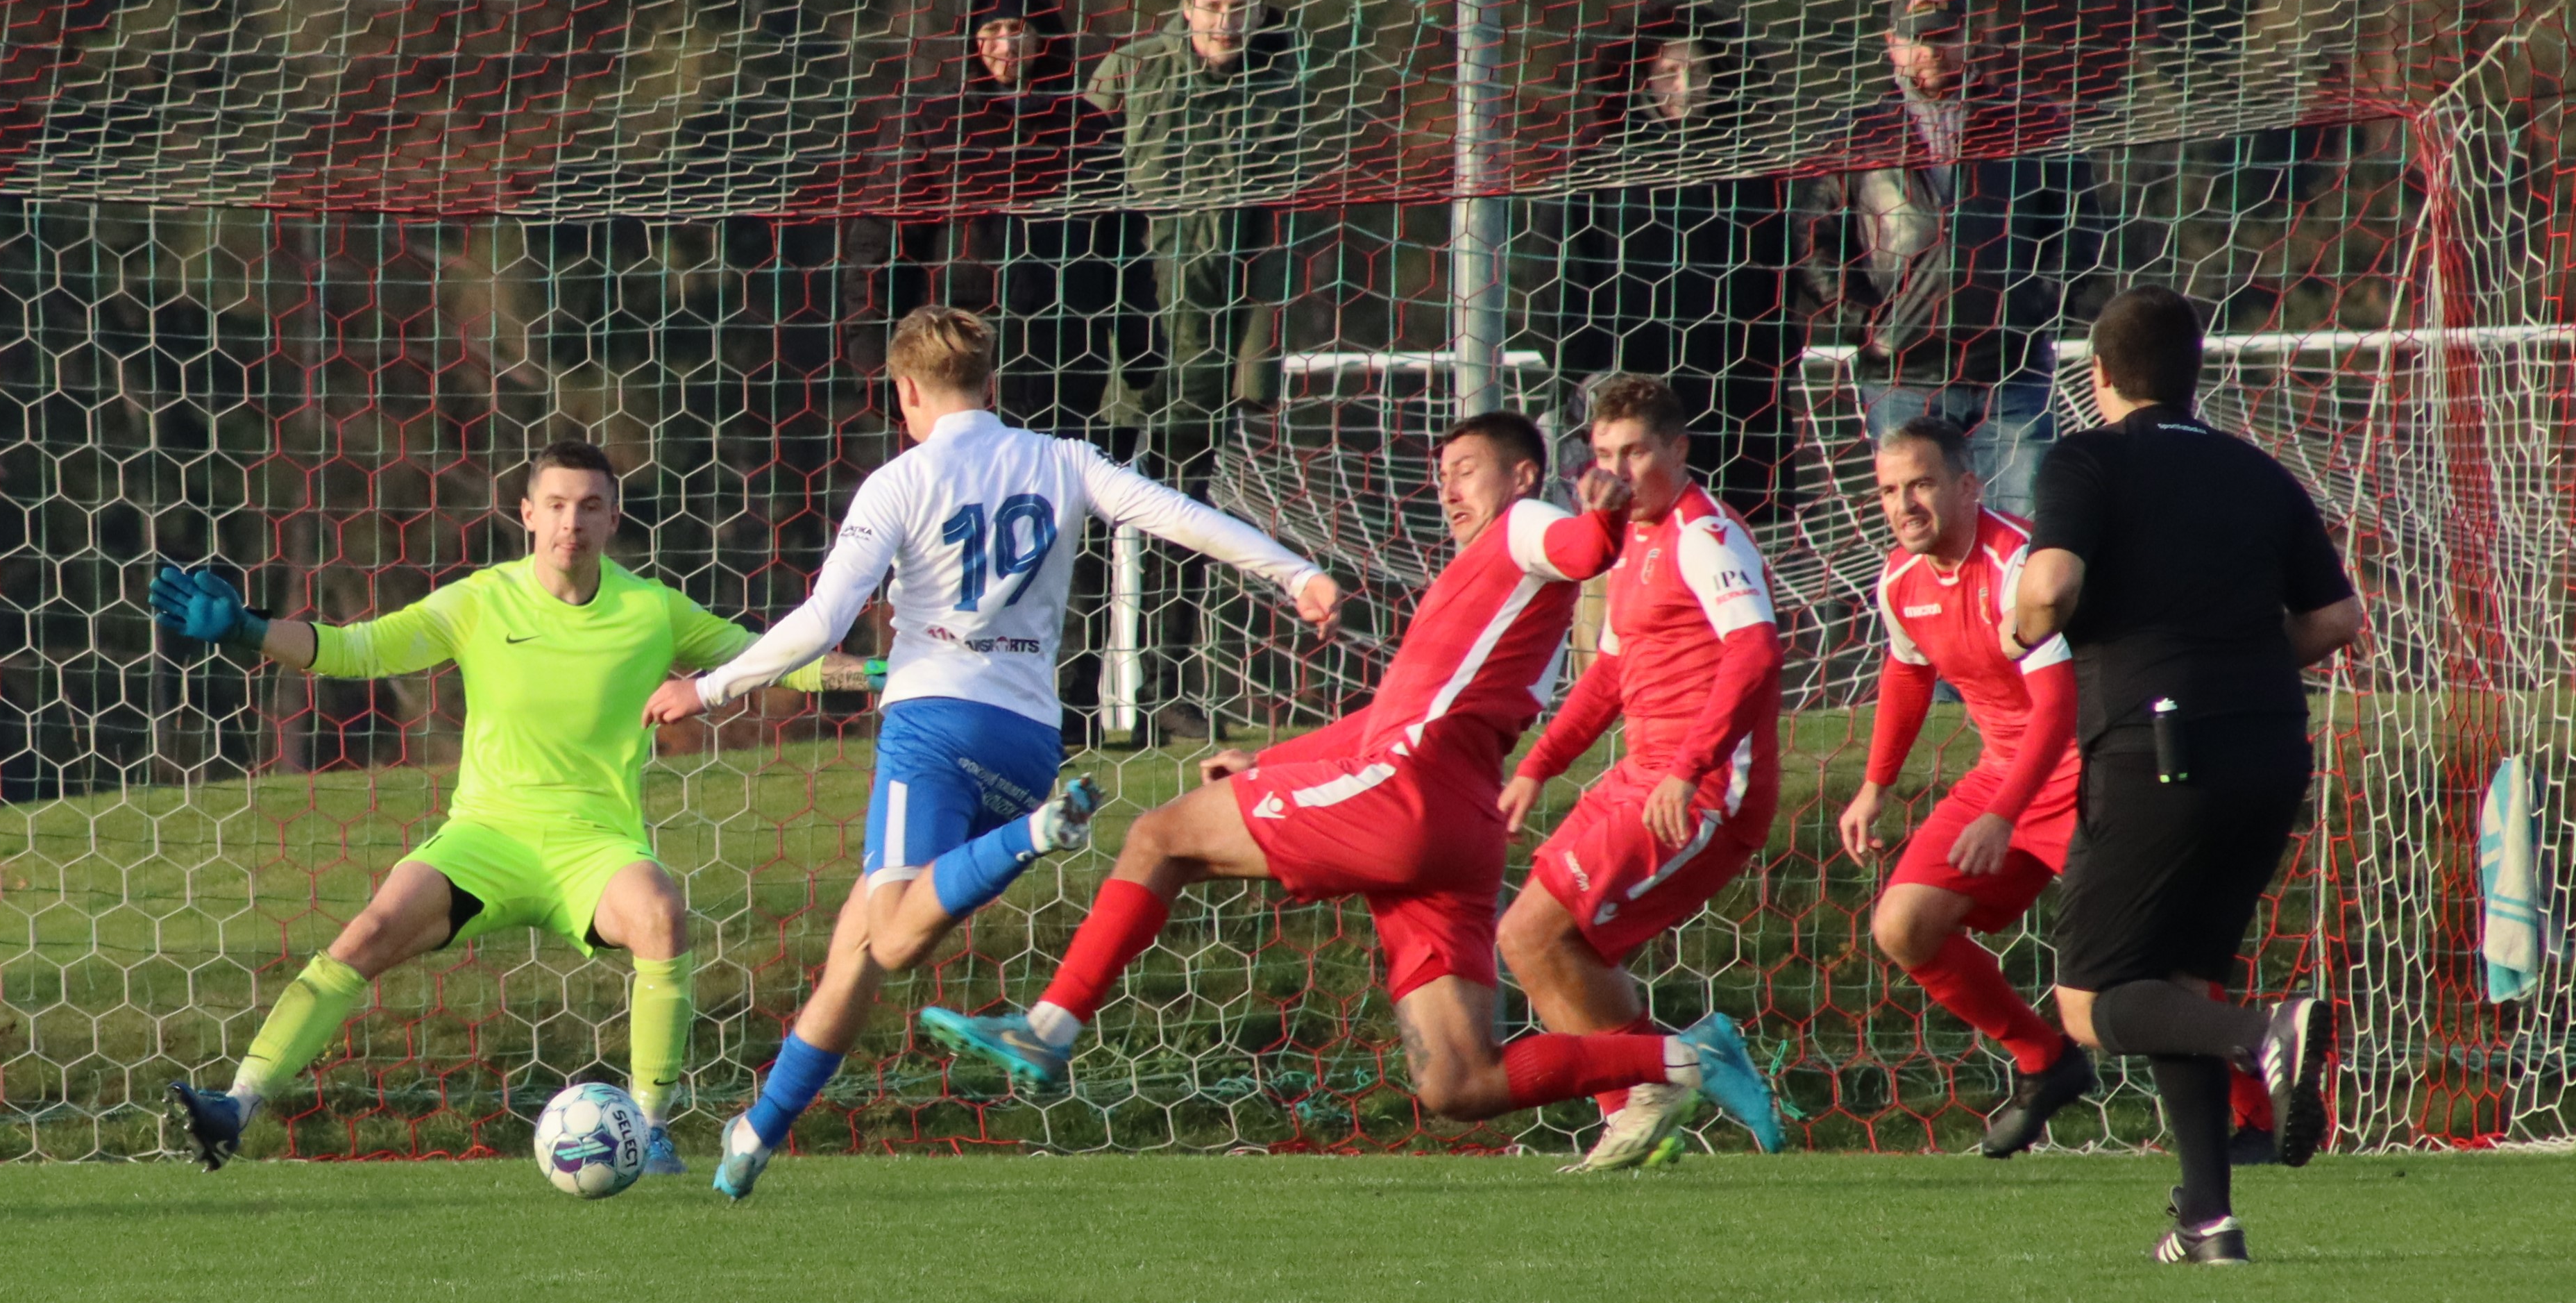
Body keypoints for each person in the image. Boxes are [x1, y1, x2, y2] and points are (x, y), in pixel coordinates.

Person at [915, 410, 1783, 1152]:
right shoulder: (1476, 589)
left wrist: (1599, 514)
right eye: (1441, 473)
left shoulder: (1525, 527)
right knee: (1459, 1081)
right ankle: (1684, 1058)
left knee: (1158, 836)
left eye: (1466, 469)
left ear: (1522, 474)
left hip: (1406, 798)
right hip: (1457, 827)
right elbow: (1381, 724)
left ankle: (1048, 1028)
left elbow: (1580, 546)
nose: (1448, 487)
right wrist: (1269, 762)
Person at [644, 305, 1339, 1200]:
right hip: (1028, 741)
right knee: (858, 944)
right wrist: (1295, 571)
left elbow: (822, 622)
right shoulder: (1062, 460)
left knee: (894, 938)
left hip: (933, 728)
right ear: (990, 384)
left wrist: (707, 690)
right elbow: (1178, 515)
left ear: (905, 391)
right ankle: (754, 1135)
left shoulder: (898, 481)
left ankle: (1039, 833)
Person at [146, 440, 845, 1176]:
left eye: (590, 506)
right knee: (370, 930)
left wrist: (882, 672)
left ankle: (649, 1129)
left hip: (594, 846)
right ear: (528, 514)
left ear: (613, 519)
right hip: (486, 838)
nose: (572, 521)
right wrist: (248, 630)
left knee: (661, 914)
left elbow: (770, 660)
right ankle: (236, 1105)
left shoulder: (653, 610)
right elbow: (358, 649)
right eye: (556, 505)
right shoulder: (481, 600)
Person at [2010, 285, 2366, 1263]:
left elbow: (2050, 588)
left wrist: (2022, 626)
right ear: (2193, 375)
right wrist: (2236, 665)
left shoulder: (2086, 458)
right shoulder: (2257, 471)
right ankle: (2208, 1219)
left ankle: (2267, 1033)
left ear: (2098, 375)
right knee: (2174, 982)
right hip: (2272, 748)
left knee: (2089, 1002)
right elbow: (2338, 619)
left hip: (2158, 748)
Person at [1840, 412, 2288, 1160]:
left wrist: (2002, 815)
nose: (1903, 505)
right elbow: (1908, 671)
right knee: (1903, 926)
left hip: (2091, 770)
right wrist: (1873, 786)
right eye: (1889, 490)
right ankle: (2045, 1061)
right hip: (2002, 773)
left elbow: (2055, 707)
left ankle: (2260, 1116)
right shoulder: (1898, 580)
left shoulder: (2019, 565)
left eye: (1920, 484)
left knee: (2149, 965)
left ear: (1967, 485)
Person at [1495, 375, 1788, 1174]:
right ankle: (1650, 1098)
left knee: (1544, 933)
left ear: (1678, 449)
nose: (1618, 472)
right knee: (1528, 938)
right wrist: (1537, 766)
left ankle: (1658, 1083)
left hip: (1703, 789)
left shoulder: (1704, 534)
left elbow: (1755, 652)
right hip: (1642, 772)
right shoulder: (1630, 537)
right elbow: (1609, 675)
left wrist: (1689, 766)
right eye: (1603, 455)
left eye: (1634, 453)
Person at [1083, 0, 1308, 737]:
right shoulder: (1129, 71)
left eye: (1240, 6)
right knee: (1086, 517)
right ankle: (1074, 695)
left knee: (1184, 515)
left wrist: (1256, 359)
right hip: (1117, 331)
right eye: (1211, 5)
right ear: (1185, 7)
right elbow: (1080, 193)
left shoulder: (1279, 87)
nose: (1224, 21)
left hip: (1209, 332)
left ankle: (1169, 691)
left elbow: (1274, 234)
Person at [1794, 0, 2106, 519]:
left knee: (2020, 529)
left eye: (1944, 36)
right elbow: (1815, 241)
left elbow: (2079, 226)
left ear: (1970, 38)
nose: (1931, 51)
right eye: (1916, 39)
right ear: (1890, 44)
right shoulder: (1859, 134)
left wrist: (2034, 309)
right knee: (1923, 531)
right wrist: (1868, 324)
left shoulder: (2031, 121)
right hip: (1901, 376)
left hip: (2010, 371)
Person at [1550, 1, 1802, 519]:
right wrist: (1589, 381)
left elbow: (1783, 286)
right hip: (1629, 408)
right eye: (1668, 72)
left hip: (1733, 406)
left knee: (1728, 536)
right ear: (1639, 77)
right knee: (1629, 534)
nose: (1685, 87)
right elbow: (1561, 287)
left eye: (1698, 71)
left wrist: (1770, 364)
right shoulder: (1601, 167)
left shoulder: (1751, 171)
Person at [891, 0, 1151, 445]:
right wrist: (875, 362)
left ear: (1044, 38)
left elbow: (1122, 244)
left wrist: (1140, 348)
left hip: (1067, 350)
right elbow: (886, 244)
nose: (1007, 45)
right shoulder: (935, 123)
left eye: (1019, 30)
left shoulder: (1086, 127)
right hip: (959, 353)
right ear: (972, 41)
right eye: (992, 30)